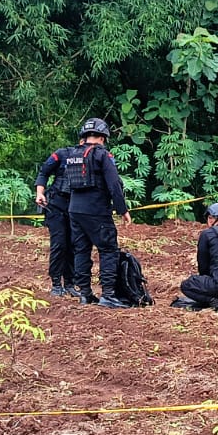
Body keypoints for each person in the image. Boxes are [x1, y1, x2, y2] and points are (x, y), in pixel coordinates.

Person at [63, 117, 134, 308]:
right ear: (103, 137)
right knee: (108, 250)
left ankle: (85, 294)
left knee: (81, 250)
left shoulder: (72, 154)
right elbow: (114, 184)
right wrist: (122, 210)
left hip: (74, 210)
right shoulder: (102, 155)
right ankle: (108, 294)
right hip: (96, 210)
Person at [34, 129, 85, 298]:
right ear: (81, 141)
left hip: (77, 207)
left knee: (74, 244)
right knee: (59, 244)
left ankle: (70, 283)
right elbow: (44, 172)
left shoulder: (93, 157)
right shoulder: (62, 154)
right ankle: (56, 283)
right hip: (56, 205)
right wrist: (40, 193)